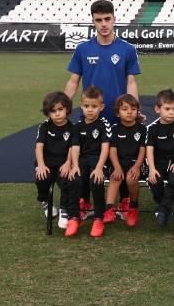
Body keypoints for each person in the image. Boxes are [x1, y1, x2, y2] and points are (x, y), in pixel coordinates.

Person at [65, 0, 141, 124]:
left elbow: (131, 83)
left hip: (119, 116)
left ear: (114, 19)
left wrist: (134, 109)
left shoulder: (128, 49)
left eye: (107, 19)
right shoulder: (82, 49)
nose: (104, 24)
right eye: (99, 20)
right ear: (93, 21)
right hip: (91, 117)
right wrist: (63, 105)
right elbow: (73, 82)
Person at [34, 91, 81, 237]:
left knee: (68, 181)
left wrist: (69, 163)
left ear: (67, 109)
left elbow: (72, 147)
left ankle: (64, 210)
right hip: (47, 163)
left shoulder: (73, 128)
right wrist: (41, 165)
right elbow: (39, 146)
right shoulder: (44, 127)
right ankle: (45, 202)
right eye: (53, 111)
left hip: (63, 163)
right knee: (42, 179)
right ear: (48, 113)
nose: (57, 114)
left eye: (60, 110)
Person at [145, 89, 174, 231]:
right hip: (158, 163)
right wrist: (152, 169)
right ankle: (164, 206)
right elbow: (149, 150)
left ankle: (163, 210)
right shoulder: (152, 129)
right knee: (154, 180)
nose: (171, 112)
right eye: (167, 109)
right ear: (157, 109)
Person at [71, 85, 111, 238]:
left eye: (94, 106)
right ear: (81, 106)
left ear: (101, 107)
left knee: (96, 180)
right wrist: (74, 165)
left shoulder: (104, 125)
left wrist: (100, 168)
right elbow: (75, 147)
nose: (90, 109)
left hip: (99, 159)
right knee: (75, 178)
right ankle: (76, 215)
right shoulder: (77, 126)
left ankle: (98, 217)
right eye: (86, 106)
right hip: (82, 159)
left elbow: (105, 148)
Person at [104, 94, 146, 227]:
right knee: (115, 177)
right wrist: (116, 167)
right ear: (117, 113)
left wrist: (137, 166)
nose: (129, 112)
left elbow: (142, 150)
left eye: (133, 109)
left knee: (130, 178)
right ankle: (109, 209)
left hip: (136, 163)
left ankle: (133, 207)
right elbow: (112, 150)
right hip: (119, 162)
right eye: (125, 109)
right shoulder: (114, 129)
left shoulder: (142, 129)